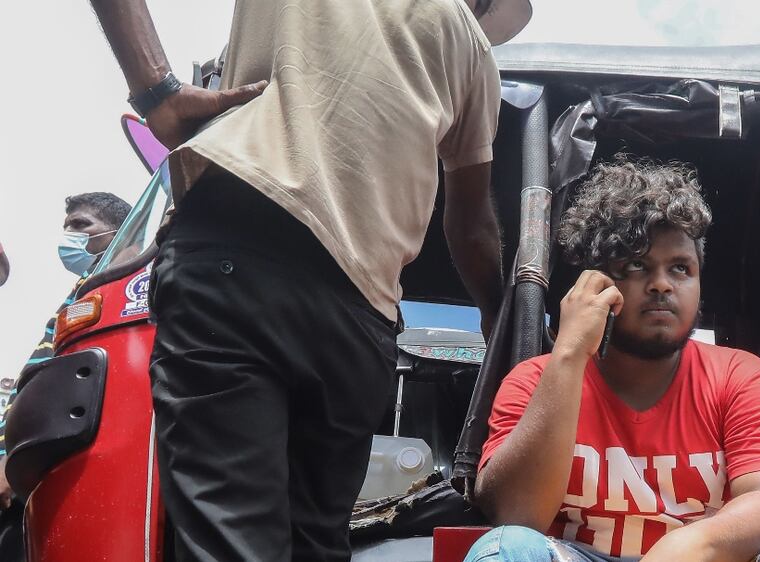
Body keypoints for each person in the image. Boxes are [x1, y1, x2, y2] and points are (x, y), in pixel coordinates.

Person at [85, 0, 530, 559]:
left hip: (238, 248)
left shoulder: (471, 48)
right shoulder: (471, 50)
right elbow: (470, 228)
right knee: (317, 544)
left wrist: (155, 90)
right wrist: (499, 317)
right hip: (360, 312)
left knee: (233, 539)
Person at [467, 160, 760, 562]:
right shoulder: (533, 381)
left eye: (680, 268)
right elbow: (518, 515)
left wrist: (686, 545)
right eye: (636, 265)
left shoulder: (739, 376)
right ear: (595, 282)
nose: (661, 283)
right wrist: (568, 354)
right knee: (505, 549)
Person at [0, 192, 132, 562]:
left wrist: (12, 461)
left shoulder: (119, 284)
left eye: (80, 226)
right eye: (67, 227)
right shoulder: (80, 293)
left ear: (120, 231)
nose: (69, 238)